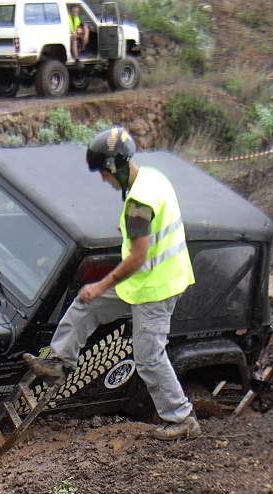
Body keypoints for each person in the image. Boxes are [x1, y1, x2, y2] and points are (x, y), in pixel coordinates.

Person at [23, 126, 201, 441]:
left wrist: (102, 285)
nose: (104, 180)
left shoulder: (138, 204)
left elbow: (138, 256)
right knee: (87, 304)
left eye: (104, 174)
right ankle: (58, 363)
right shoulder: (152, 178)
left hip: (156, 288)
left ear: (113, 167)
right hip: (143, 281)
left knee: (149, 357)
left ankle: (182, 418)